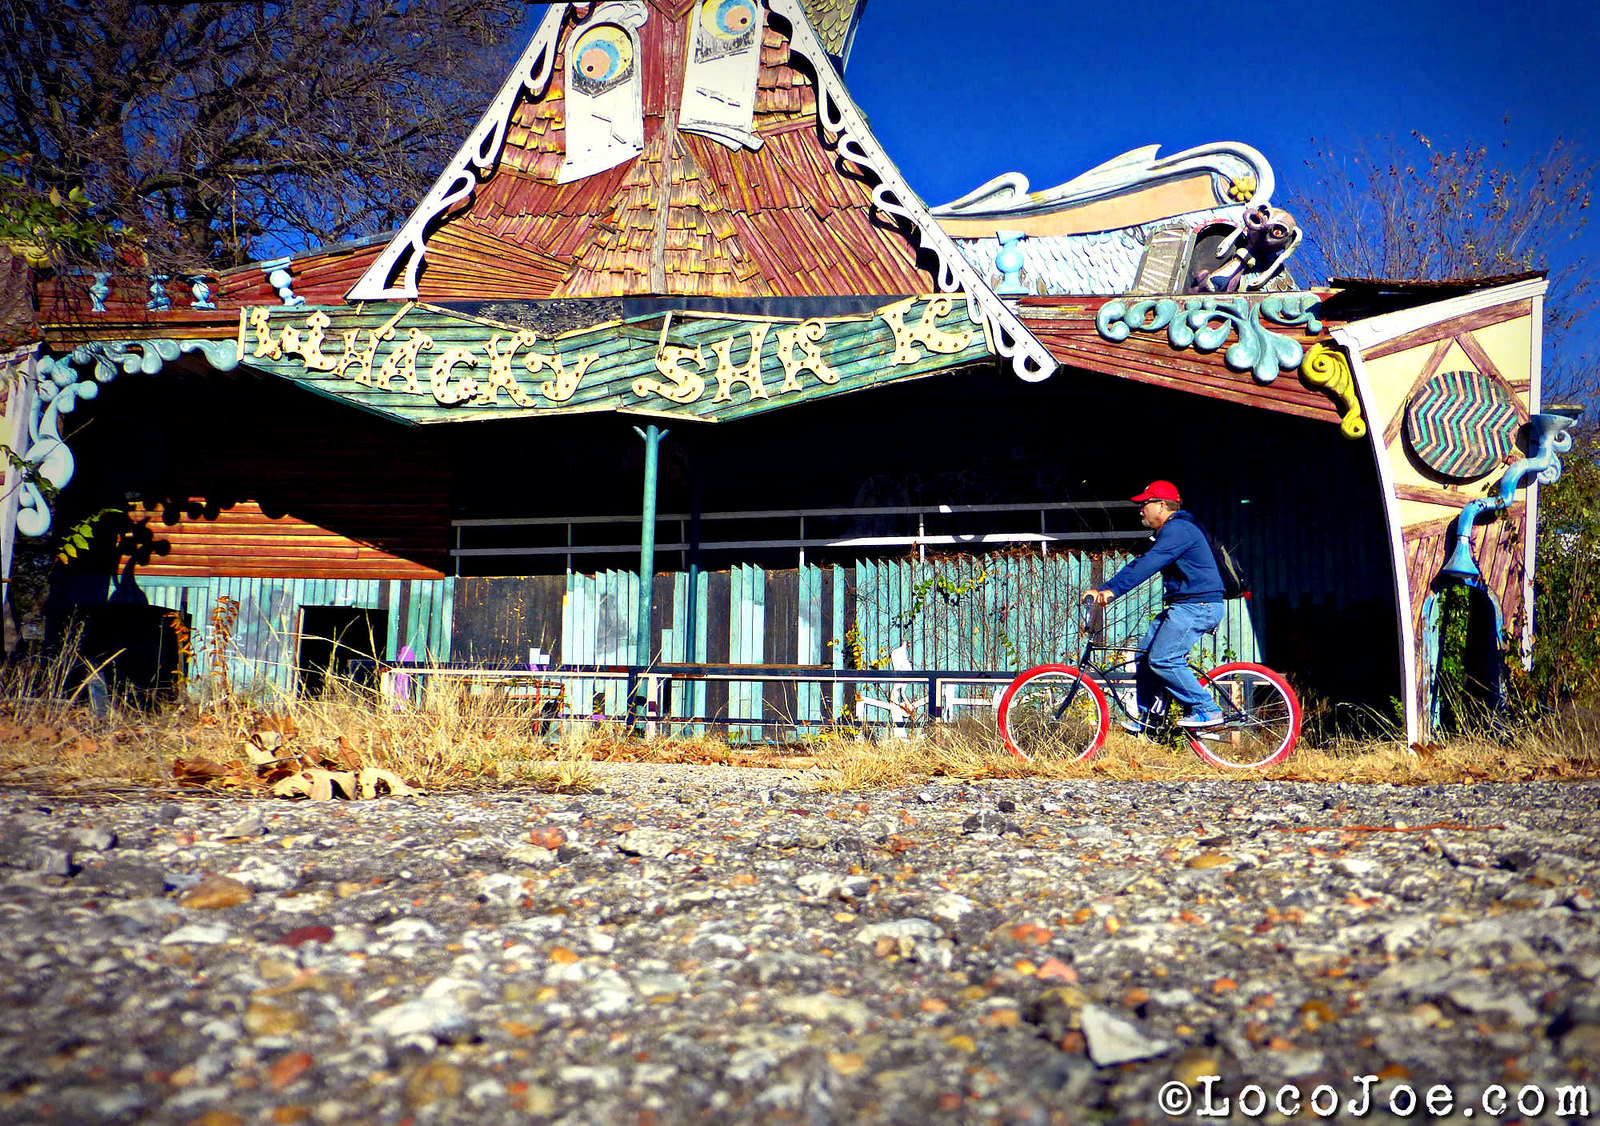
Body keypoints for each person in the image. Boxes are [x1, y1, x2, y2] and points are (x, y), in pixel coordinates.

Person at [1084, 481, 1225, 732]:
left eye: (1144, 504)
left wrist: (1112, 590)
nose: (1140, 509)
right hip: (1185, 605)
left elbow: (1148, 564)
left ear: (1161, 506)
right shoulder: (1173, 530)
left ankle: (1208, 709)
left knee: (1163, 659)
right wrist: (1107, 587)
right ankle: (1149, 718)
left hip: (1197, 606)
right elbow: (1143, 563)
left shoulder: (1179, 529)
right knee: (1145, 654)